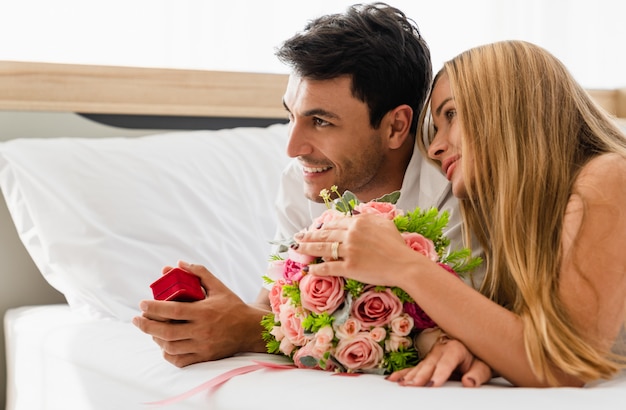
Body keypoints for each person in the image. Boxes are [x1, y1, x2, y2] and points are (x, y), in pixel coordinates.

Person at [133, 2, 482, 368]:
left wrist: (248, 331)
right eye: (291, 115)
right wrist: (218, 318)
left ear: (395, 126)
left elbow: (456, 331)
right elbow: (273, 307)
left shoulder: (455, 187)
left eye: (320, 121)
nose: (292, 148)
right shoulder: (307, 179)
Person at [294, 40, 626, 387]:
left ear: (510, 108)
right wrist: (479, 352)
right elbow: (535, 341)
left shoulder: (608, 176)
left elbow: (562, 366)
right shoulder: (516, 219)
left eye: (450, 115)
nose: (436, 148)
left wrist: (405, 264)